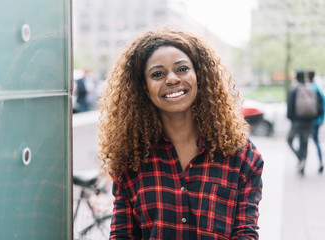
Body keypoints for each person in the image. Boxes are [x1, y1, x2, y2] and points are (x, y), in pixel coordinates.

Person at [98, 27, 264, 239]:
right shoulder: (130, 159)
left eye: (182, 69)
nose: (172, 79)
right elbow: (123, 235)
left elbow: (245, 233)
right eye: (158, 74)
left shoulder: (242, 156)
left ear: (199, 75)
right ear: (143, 87)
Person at [287, 70, 322, 175]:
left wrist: (292, 119)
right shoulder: (311, 88)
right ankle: (303, 163)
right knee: (305, 142)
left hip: (297, 121)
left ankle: (300, 158)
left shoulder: (294, 89)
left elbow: (290, 107)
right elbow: (319, 106)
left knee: (289, 140)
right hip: (309, 121)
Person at [308, 71, 325, 173]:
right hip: (317, 120)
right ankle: (320, 162)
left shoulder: (307, 88)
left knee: (303, 142)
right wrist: (321, 119)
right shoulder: (318, 89)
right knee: (316, 141)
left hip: (307, 120)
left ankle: (302, 162)